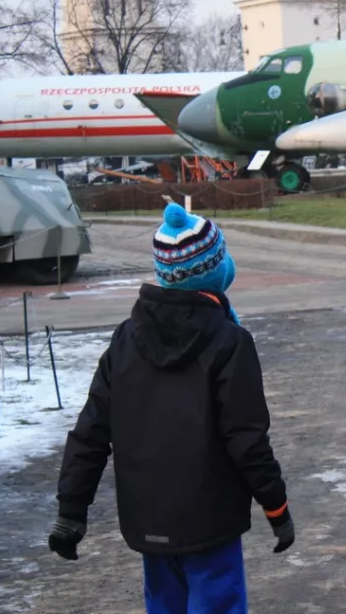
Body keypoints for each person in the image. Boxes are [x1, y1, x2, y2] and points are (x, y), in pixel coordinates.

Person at [47, 203, 294, 614]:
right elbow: (247, 439)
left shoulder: (126, 338)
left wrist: (71, 509)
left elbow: (91, 430)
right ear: (214, 271)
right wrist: (277, 507)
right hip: (210, 520)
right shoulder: (229, 342)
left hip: (147, 517)